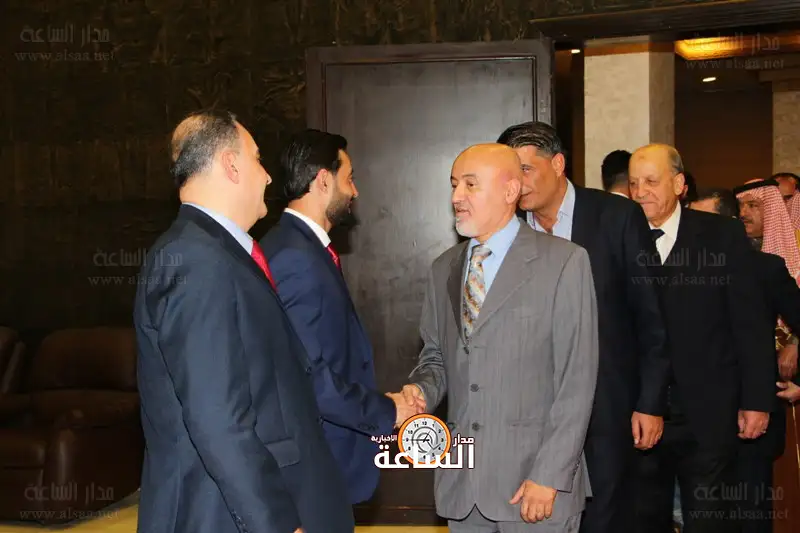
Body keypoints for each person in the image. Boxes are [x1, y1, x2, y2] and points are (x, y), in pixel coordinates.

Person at [134, 111, 355, 533]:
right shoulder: (198, 260)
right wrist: (276, 522)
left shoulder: (218, 251)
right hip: (221, 514)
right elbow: (218, 419)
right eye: (257, 159)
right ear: (230, 165)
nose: (268, 177)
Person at [399, 143, 599, 532]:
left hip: (535, 487)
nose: (457, 197)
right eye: (454, 185)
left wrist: (550, 475)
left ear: (510, 191)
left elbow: (577, 380)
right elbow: (436, 356)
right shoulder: (444, 268)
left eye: (470, 184)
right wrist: (421, 390)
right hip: (463, 485)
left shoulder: (564, 262)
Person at [496, 122, 669, 533]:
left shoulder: (616, 216)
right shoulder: (508, 231)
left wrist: (650, 402)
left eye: (526, 169)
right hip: (534, 410)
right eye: (510, 174)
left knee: (605, 514)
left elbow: (651, 316)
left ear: (557, 164)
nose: (518, 184)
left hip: (608, 402)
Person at [260, 129, 417, 504]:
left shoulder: (297, 246)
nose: (355, 192)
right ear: (323, 181)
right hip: (315, 463)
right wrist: (386, 410)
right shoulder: (296, 258)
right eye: (349, 178)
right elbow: (306, 374)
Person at [629, 144, 774, 533]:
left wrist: (756, 399)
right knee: (644, 518)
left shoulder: (721, 235)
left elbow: (750, 322)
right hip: (638, 413)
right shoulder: (619, 235)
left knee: (709, 519)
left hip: (709, 412)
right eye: (634, 183)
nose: (640, 192)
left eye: (651, 181)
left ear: (679, 184)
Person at [692, 184, 800, 533]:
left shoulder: (765, 268)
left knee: (749, 509)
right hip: (696, 418)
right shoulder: (680, 268)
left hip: (751, 419)